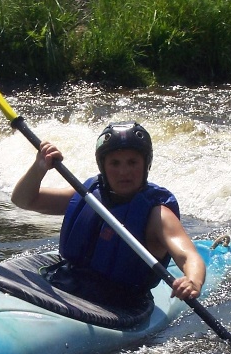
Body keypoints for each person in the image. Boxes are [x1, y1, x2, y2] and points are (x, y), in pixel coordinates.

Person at [11, 121, 205, 309]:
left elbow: (188, 256)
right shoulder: (89, 195)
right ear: (103, 165)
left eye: (132, 162)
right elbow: (23, 200)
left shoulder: (157, 214)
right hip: (67, 280)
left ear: (146, 164)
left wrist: (193, 281)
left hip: (120, 303)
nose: (123, 171)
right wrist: (39, 168)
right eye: (114, 163)